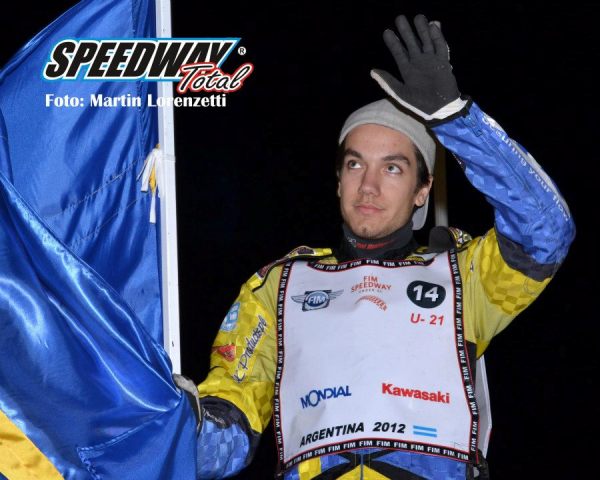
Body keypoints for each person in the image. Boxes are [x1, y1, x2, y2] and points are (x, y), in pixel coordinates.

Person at [176, 13, 575, 479]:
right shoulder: (279, 287)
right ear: (337, 179)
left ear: (422, 190)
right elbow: (226, 433)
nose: (368, 186)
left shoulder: (463, 278)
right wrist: (176, 427)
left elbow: (545, 233)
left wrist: (455, 120)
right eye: (354, 164)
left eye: (392, 168)